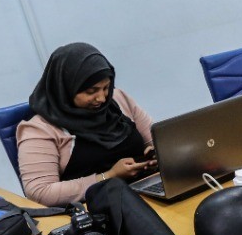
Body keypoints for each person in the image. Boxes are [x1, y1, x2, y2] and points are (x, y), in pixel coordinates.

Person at [16, 42, 155, 207]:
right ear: (66, 88)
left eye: (106, 87)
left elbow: (156, 139)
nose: (102, 98)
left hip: (146, 192)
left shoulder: (118, 100)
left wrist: (157, 154)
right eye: (91, 91)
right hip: (97, 208)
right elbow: (40, 192)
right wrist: (109, 176)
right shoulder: (39, 130)